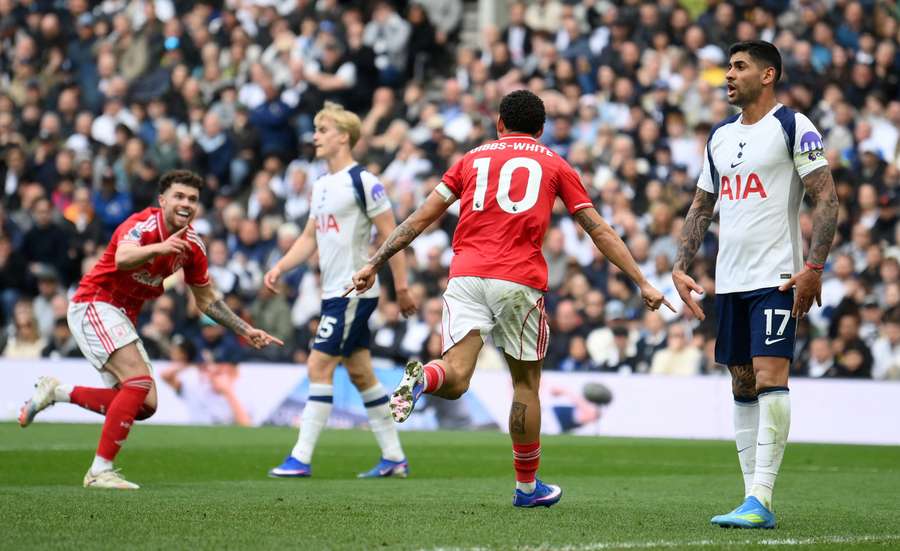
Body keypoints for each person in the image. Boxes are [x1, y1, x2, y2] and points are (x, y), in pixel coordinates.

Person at [351, 90, 671, 507]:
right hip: (518, 281)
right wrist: (642, 280)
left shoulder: (471, 159)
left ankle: (424, 379)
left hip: (465, 275)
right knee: (524, 385)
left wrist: (375, 262)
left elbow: (419, 218)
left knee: (456, 375)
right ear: (541, 129)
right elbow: (598, 229)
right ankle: (526, 488)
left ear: (499, 123)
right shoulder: (554, 163)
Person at [18, 170, 283, 490]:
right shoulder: (142, 224)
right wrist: (159, 249)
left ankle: (58, 392)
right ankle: (100, 471)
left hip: (121, 315)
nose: (186, 204)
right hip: (94, 302)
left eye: (193, 199)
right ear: (163, 201)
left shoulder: (193, 246)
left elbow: (207, 300)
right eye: (179, 197)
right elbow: (123, 257)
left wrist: (245, 329)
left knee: (145, 405)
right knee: (138, 382)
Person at [672, 41, 839, 529]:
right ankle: (750, 497)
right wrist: (682, 264)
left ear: (768, 75)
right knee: (741, 381)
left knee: (769, 376)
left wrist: (814, 266)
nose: (728, 75)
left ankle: (762, 499)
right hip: (731, 280)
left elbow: (825, 198)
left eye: (738, 67)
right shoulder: (720, 136)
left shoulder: (793, 126)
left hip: (778, 277)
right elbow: (703, 205)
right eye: (728, 66)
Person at [265, 102, 417, 479]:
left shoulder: (363, 181)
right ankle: (394, 458)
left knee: (318, 365)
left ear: (344, 136)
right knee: (362, 373)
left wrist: (401, 286)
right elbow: (308, 237)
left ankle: (300, 457)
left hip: (353, 290)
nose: (315, 136)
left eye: (323, 129)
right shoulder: (320, 184)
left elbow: (392, 235)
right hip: (332, 291)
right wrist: (281, 266)